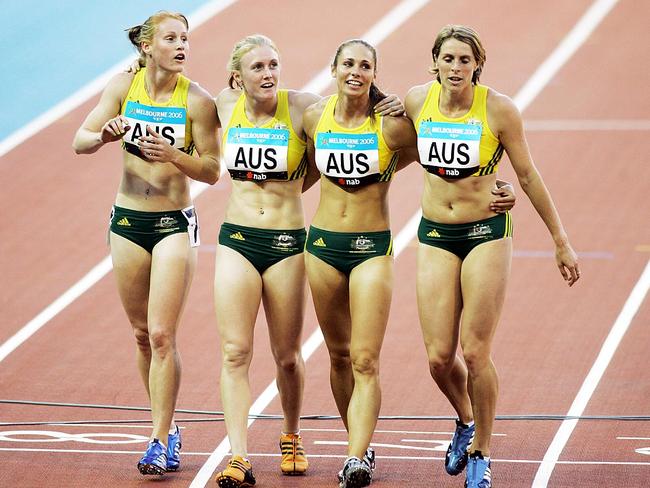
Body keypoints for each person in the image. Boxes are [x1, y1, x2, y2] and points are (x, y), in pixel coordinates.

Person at [212, 35, 404, 488]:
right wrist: (135, 74)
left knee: (287, 355)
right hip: (236, 237)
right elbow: (178, 101)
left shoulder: (304, 109)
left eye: (274, 65)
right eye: (258, 67)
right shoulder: (223, 104)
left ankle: (291, 434)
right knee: (235, 350)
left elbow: (351, 140)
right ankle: (238, 456)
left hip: (288, 241)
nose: (269, 74)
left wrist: (387, 100)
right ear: (237, 76)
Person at [404, 25, 580, 488]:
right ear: (434, 62)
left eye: (465, 60)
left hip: (485, 232)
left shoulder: (499, 110)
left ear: (477, 64)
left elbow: (527, 175)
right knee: (440, 358)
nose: (456, 68)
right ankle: (465, 420)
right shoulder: (416, 101)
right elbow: (387, 139)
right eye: (448, 59)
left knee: (475, 351)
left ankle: (483, 448)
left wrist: (559, 239)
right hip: (435, 234)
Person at [72, 11, 220, 476]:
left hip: (173, 223)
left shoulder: (197, 100)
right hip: (128, 222)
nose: (182, 46)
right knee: (141, 334)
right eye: (172, 39)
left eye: (185, 39)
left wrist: (175, 156)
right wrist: (104, 135)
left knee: (161, 333)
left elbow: (214, 170)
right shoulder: (122, 89)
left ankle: (158, 440)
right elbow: (80, 140)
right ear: (146, 47)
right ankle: (169, 426)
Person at [301, 39, 419, 488]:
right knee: (338, 356)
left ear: (374, 73)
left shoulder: (392, 127)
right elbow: (303, 167)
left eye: (365, 65)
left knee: (365, 359)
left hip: (371, 248)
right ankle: (360, 445)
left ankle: (354, 460)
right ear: (333, 69)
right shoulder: (315, 117)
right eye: (348, 63)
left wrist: (496, 192)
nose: (356, 71)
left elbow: (437, 157)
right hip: (323, 247)